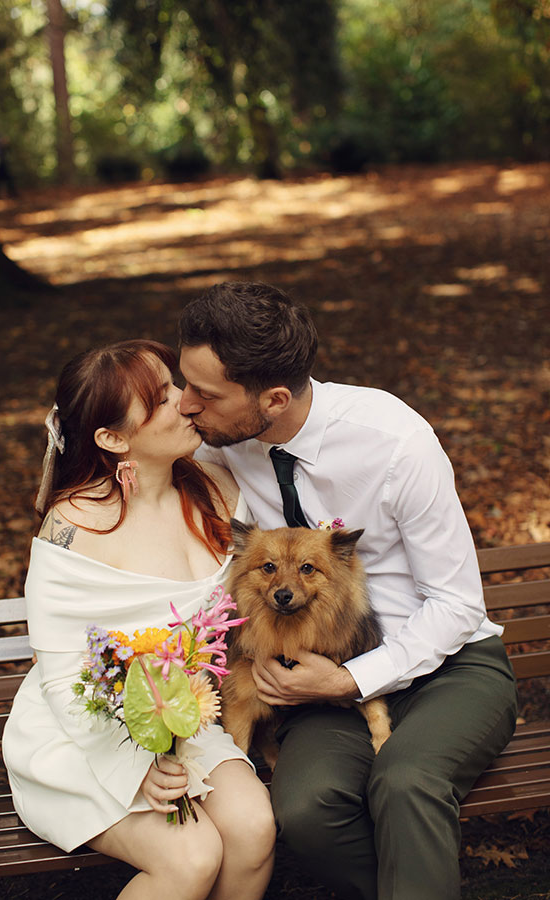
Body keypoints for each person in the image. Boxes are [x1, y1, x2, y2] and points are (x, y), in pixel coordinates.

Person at [177, 282, 518, 900]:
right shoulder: (221, 441)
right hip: (318, 676)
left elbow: (459, 604)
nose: (184, 405)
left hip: (452, 667)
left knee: (406, 781)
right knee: (306, 809)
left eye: (204, 394)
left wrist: (353, 680)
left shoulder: (395, 442)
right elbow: (121, 448)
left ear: (274, 398)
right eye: (184, 384)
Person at [2, 339, 275, 900]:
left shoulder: (217, 491)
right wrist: (135, 770)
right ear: (113, 438)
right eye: (161, 400)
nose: (186, 402)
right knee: (192, 856)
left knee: (253, 828)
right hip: (83, 735)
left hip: (183, 719)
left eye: (175, 385)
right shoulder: (74, 525)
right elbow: (60, 678)